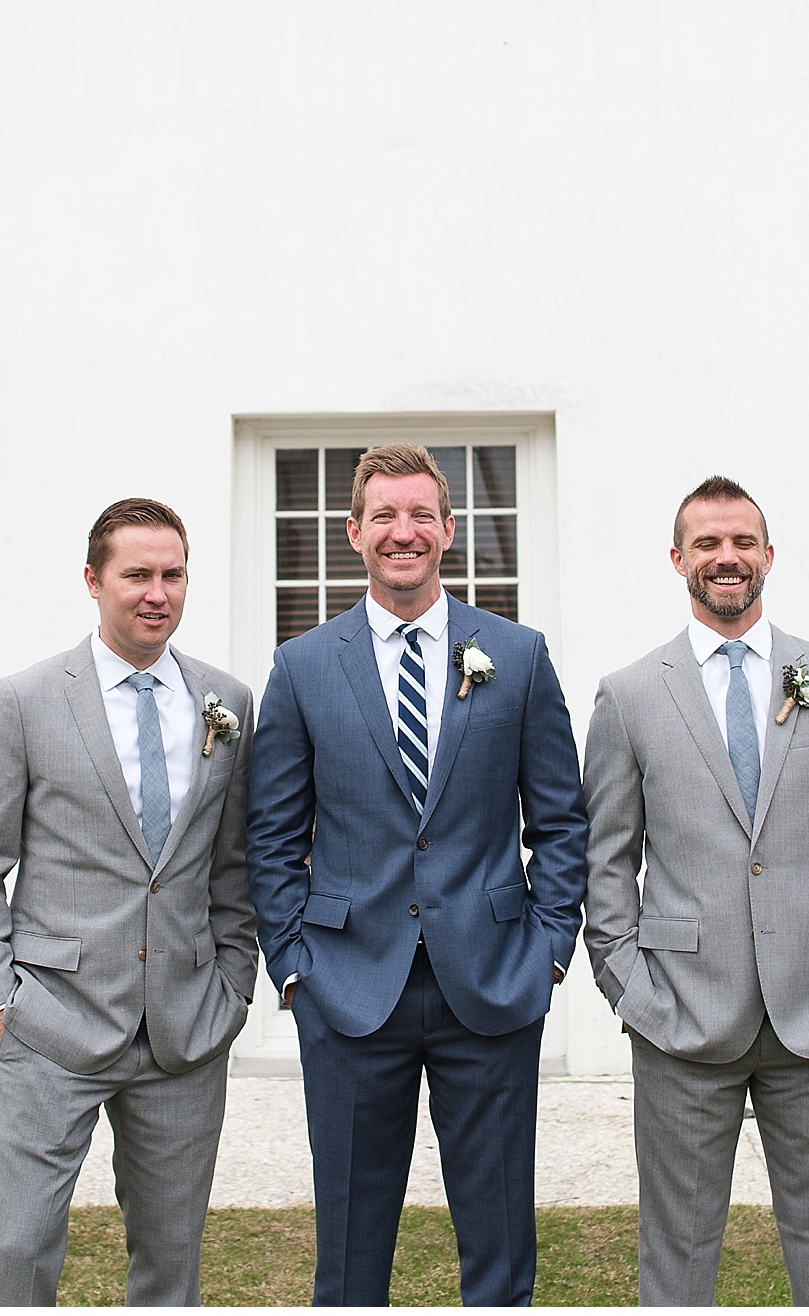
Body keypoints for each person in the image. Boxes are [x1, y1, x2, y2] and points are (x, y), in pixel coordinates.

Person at [247, 443, 589, 1306]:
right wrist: (294, 967)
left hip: (494, 980)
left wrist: (548, 950)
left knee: (502, 1247)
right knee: (352, 1258)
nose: (405, 533)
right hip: (349, 987)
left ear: (448, 530)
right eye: (385, 517)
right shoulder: (303, 667)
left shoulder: (517, 653)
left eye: (422, 516)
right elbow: (274, 835)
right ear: (354, 532)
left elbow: (559, 819)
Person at [580, 475, 809, 1304]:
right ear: (677, 558)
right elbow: (606, 860)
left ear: (768, 555)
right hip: (682, 1016)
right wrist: (632, 987)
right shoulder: (629, 695)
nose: (726, 558)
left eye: (742, 542)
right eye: (707, 544)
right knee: (679, 1261)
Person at [0, 498, 259, 1306]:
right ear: (93, 580)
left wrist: (231, 985)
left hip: (185, 1029)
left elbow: (233, 867)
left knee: (170, 1262)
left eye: (174, 575)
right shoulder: (25, 700)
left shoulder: (226, 702)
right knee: (16, 1252)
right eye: (137, 575)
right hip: (48, 1020)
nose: (158, 592)